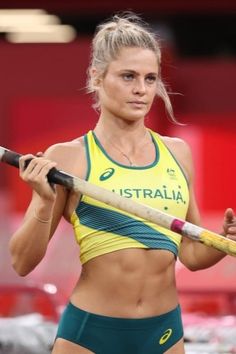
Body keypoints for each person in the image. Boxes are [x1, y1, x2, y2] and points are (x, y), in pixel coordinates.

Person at [9, 12, 236, 354]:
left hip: (164, 333)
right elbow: (22, 262)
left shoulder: (177, 153)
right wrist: (42, 202)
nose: (141, 90)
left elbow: (189, 253)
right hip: (91, 334)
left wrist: (221, 241)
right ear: (97, 77)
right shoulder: (70, 157)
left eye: (150, 78)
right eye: (128, 76)